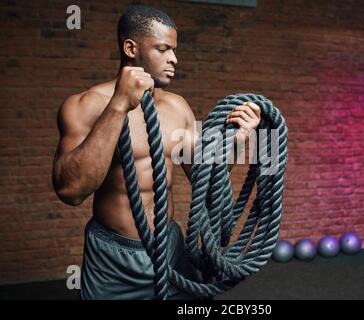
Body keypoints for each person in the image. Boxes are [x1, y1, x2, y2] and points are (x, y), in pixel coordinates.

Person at [52, 5, 261, 300]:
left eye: (174, 50)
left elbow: (205, 175)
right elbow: (71, 190)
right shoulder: (86, 105)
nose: (174, 58)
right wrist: (118, 105)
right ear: (130, 48)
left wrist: (238, 138)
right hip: (114, 258)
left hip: (169, 248)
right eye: (163, 49)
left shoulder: (177, 107)